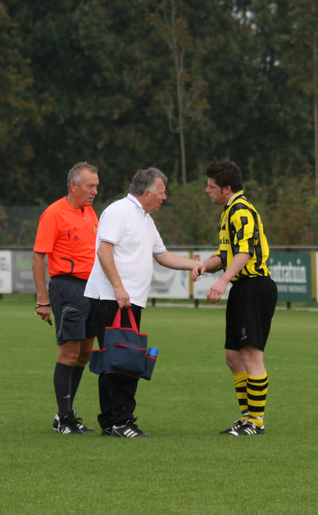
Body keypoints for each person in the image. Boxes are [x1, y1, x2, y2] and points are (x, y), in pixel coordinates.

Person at [84, 167, 197, 438]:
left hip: (126, 300)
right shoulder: (119, 211)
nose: (164, 197)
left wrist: (196, 265)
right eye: (162, 192)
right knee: (124, 361)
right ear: (146, 193)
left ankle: (110, 422)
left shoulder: (145, 218)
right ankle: (122, 423)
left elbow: (163, 255)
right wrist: (118, 287)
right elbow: (104, 250)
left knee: (114, 360)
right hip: (112, 299)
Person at [192, 161, 277, 436]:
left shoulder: (241, 210)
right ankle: (246, 418)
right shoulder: (229, 212)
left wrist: (223, 280)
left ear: (226, 188)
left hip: (255, 286)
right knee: (233, 356)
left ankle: (256, 421)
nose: (207, 191)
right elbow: (225, 255)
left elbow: (245, 252)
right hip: (242, 288)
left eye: (211, 186)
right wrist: (205, 266)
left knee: (251, 354)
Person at [32, 161, 100, 435]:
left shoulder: (90, 212)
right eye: (90, 186)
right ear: (74, 186)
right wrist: (42, 300)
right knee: (69, 353)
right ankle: (63, 418)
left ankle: (67, 415)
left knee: (84, 355)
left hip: (92, 289)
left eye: (96, 186)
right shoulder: (54, 213)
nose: (95, 191)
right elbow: (38, 256)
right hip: (68, 287)